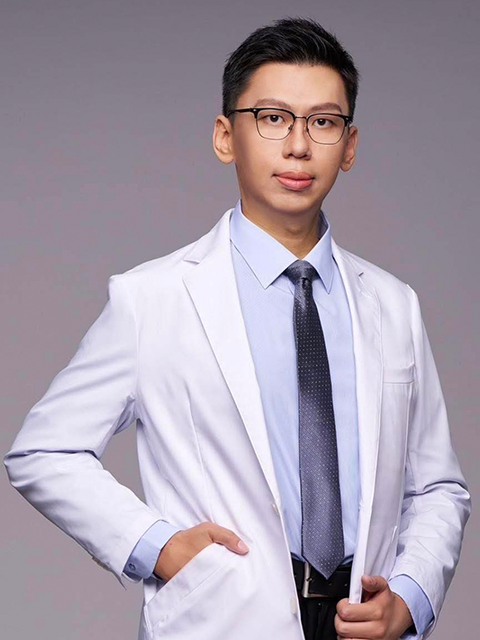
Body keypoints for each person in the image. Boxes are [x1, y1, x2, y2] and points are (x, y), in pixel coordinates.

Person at [4, 16, 471, 640]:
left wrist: (411, 596)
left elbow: (438, 486)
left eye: (323, 122)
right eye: (273, 118)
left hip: (360, 621)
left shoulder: (393, 304)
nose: (298, 146)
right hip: (221, 619)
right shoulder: (153, 299)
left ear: (350, 145)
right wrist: (157, 545)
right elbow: (44, 451)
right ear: (226, 137)